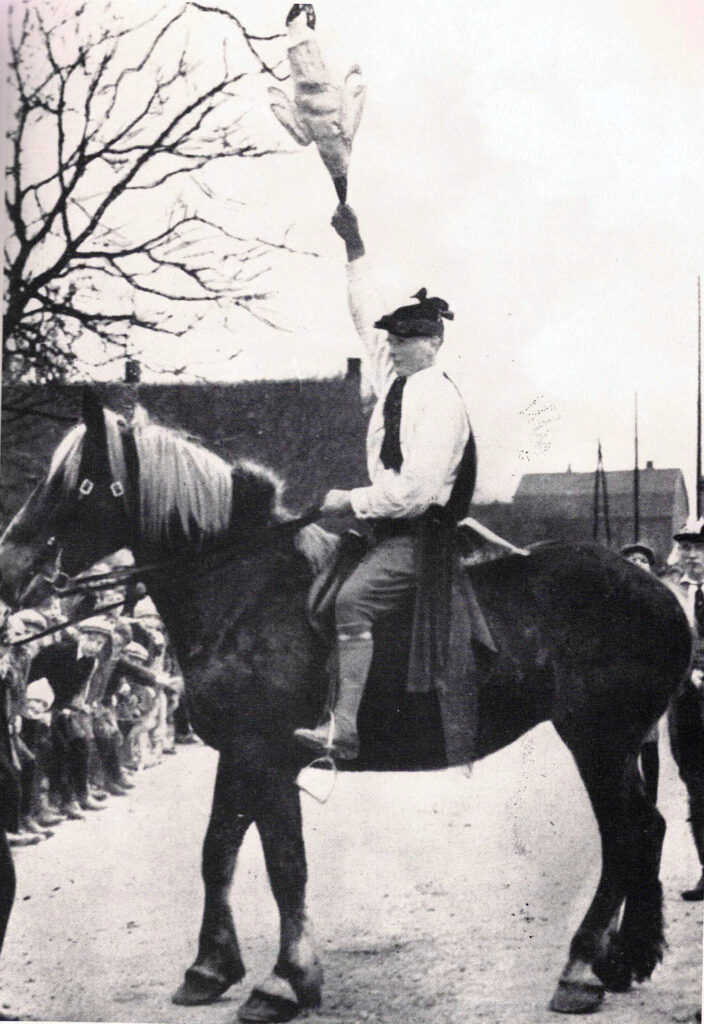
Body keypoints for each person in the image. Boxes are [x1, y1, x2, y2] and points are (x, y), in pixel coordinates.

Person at [294, 203, 475, 759]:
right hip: (389, 531)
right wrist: (354, 247)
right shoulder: (396, 378)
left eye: (402, 342)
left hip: (422, 535)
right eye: (390, 342)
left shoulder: (439, 399)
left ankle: (344, 729)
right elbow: (364, 310)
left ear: (432, 343)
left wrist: (349, 499)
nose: (390, 349)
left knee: (351, 602)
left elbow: (414, 493)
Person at [664, 518, 704, 901]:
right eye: (687, 548)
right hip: (687, 703)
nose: (692, 556)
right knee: (696, 783)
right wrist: (688, 671)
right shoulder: (673, 593)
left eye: (699, 548)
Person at [620, 543, 660, 804]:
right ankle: (632, 796)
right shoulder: (613, 596)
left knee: (649, 736)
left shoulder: (659, 596)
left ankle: (651, 800)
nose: (637, 562)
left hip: (650, 675)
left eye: (643, 559)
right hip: (620, 676)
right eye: (632, 558)